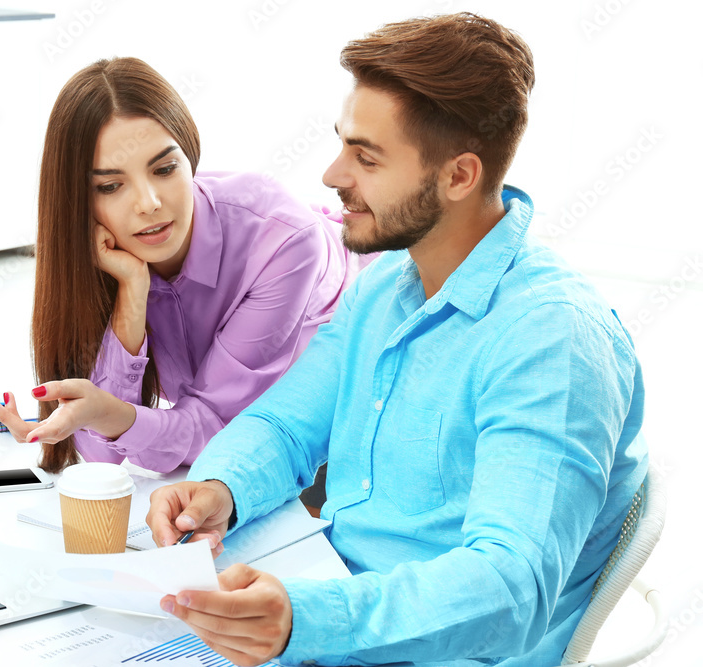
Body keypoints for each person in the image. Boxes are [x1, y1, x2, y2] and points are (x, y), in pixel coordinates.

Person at [147, 13, 647, 667]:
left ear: (459, 176)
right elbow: (286, 423)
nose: (332, 174)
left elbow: (508, 587)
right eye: (342, 145)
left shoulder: (554, 340)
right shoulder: (385, 287)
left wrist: (308, 619)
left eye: (367, 156)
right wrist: (220, 489)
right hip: (327, 626)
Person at [0, 57, 368, 475]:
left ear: (190, 159)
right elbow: (103, 456)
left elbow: (216, 429)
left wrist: (112, 416)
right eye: (111, 186)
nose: (148, 202)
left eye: (165, 169)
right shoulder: (107, 252)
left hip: (353, 376)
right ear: (80, 200)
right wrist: (132, 290)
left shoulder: (283, 245)